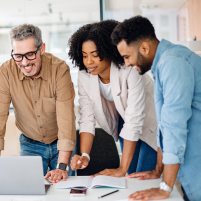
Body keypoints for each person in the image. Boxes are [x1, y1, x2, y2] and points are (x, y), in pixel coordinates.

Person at [111, 15, 201, 201]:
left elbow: (174, 126)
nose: (126, 64)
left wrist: (165, 186)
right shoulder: (163, 64)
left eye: (127, 57)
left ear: (144, 48)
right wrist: (158, 170)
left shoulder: (173, 64)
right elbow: (165, 125)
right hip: (196, 184)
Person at [68, 20, 162, 178]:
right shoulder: (84, 75)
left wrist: (121, 168)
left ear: (109, 51)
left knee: (142, 176)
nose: (89, 61)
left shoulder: (129, 69)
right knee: (131, 175)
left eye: (95, 55)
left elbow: (135, 119)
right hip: (124, 121)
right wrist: (85, 155)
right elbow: (87, 117)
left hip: (151, 122)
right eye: (85, 56)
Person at [0, 24, 76, 183]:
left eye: (30, 54)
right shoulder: (6, 72)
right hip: (30, 144)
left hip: (61, 144)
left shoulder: (59, 69)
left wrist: (62, 166)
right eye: (18, 56)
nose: (24, 63)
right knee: (30, 192)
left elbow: (66, 118)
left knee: (64, 191)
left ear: (42, 48)